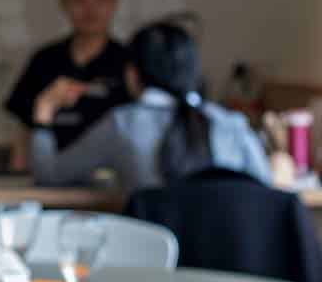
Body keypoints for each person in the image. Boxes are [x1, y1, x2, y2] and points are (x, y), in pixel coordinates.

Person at [29, 21, 271, 192]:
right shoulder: (231, 124)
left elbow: (49, 174)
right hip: (227, 263)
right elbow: (264, 192)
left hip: (157, 263)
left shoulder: (123, 124)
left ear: (132, 75)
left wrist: (43, 110)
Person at [4, 0, 131, 169]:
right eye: (79, 0)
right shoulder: (44, 61)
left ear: (114, 1)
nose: (90, 10)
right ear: (64, 2)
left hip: (113, 185)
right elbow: (23, 134)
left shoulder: (129, 63)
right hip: (51, 180)